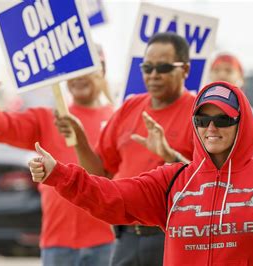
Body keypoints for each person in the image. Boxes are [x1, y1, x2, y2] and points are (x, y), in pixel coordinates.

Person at [29, 81, 253, 266]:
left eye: (223, 119)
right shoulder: (173, 180)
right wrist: (59, 174)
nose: (211, 128)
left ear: (241, 122)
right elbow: (111, 196)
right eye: (202, 119)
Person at [54, 32, 195, 265]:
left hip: (174, 236)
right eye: (147, 67)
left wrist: (169, 156)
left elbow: (211, 182)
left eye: (163, 67)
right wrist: (79, 138)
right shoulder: (130, 107)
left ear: (186, 70)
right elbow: (99, 173)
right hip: (127, 237)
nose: (153, 75)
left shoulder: (199, 112)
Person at [0, 55, 115, 266]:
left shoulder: (115, 120)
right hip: (57, 242)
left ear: (102, 71)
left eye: (87, 70)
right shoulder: (49, 119)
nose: (79, 78)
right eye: (73, 72)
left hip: (106, 241)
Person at [208, 53, 253, 133]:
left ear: (241, 77)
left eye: (228, 70)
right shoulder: (198, 114)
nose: (221, 74)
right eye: (216, 70)